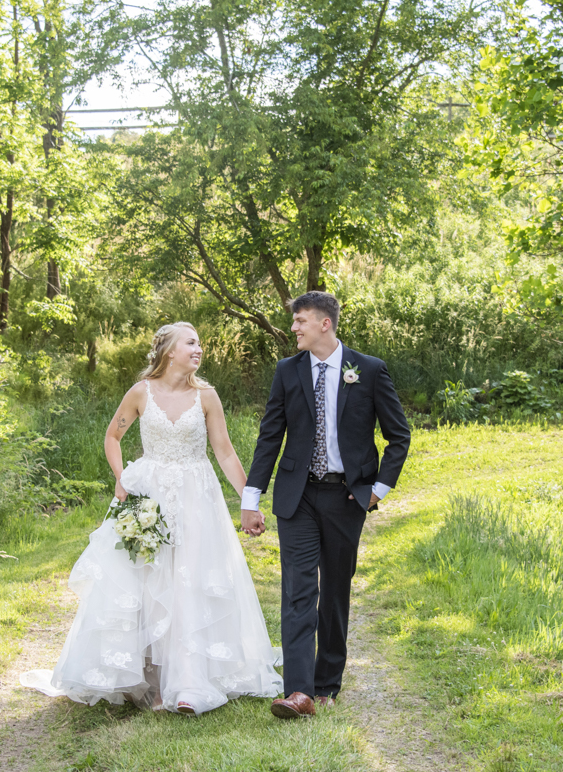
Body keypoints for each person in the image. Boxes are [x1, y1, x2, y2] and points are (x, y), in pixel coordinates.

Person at [20, 322, 282, 715]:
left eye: (199, 344)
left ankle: (190, 681)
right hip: (150, 495)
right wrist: (121, 480)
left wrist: (249, 501)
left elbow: (225, 452)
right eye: (191, 343)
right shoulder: (141, 393)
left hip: (197, 496)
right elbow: (113, 437)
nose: (198, 350)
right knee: (147, 581)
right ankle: (151, 682)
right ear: (170, 351)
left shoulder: (206, 396)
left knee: (190, 579)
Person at [242, 291, 411, 718]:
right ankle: (297, 692)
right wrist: (251, 497)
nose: (293, 328)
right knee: (298, 589)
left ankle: (326, 684)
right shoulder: (287, 371)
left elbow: (398, 436)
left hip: (346, 496)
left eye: (300, 321)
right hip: (296, 496)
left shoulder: (368, 370)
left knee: (334, 590)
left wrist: (378, 489)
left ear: (325, 324)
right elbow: (269, 436)